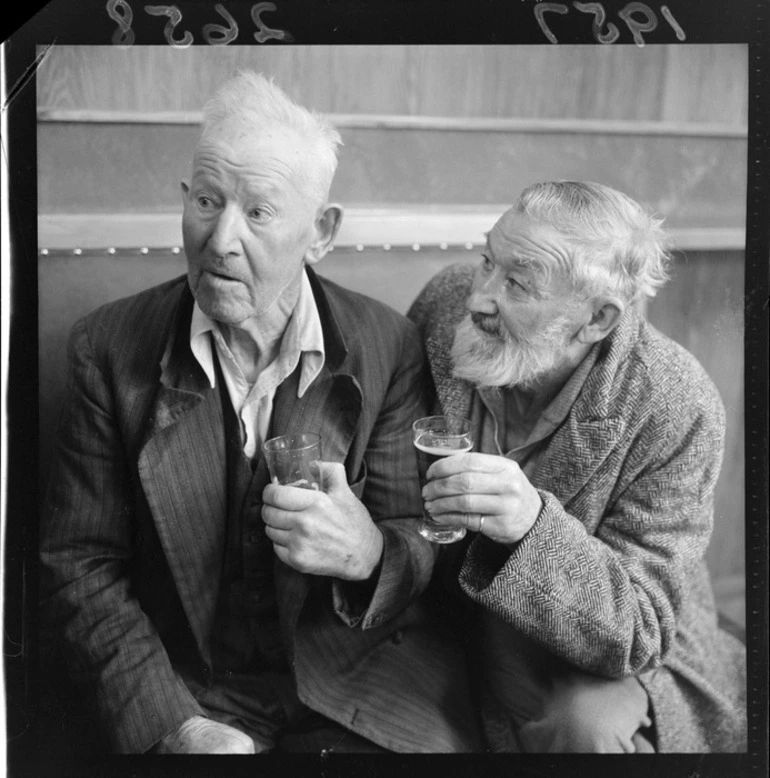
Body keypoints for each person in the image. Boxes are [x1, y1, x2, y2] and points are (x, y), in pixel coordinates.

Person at [39, 70, 481, 755]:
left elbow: (417, 536)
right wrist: (175, 726)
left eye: (260, 212)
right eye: (208, 201)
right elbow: (79, 566)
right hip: (183, 684)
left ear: (322, 232)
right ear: (185, 200)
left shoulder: (384, 344)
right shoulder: (108, 347)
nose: (219, 240)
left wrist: (369, 553)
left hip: (350, 685)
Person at [407, 181, 747, 753]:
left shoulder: (675, 402)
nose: (478, 298)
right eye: (488, 261)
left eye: (517, 283)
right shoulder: (444, 304)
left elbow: (641, 630)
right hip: (452, 608)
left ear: (597, 319)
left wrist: (532, 526)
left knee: (584, 730)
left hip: (596, 641)